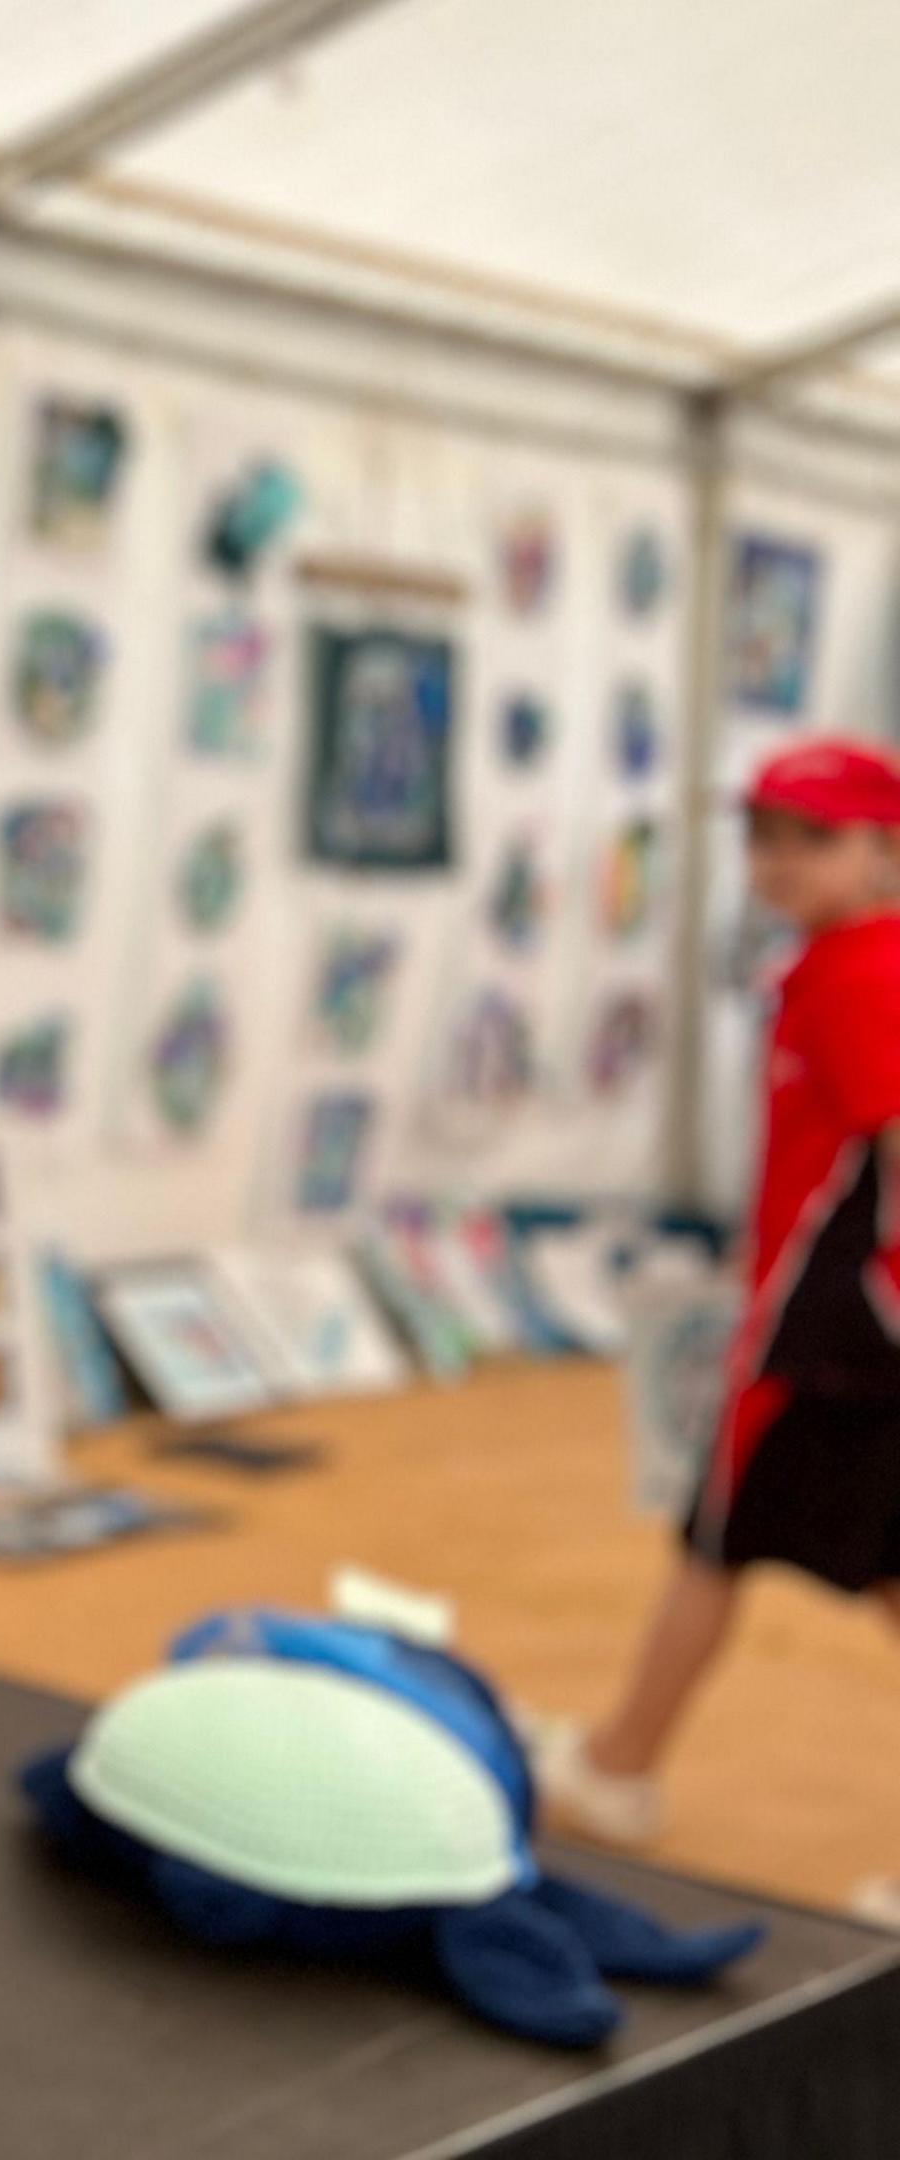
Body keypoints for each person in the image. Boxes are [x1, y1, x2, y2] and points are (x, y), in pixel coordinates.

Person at [541, 735, 900, 1926]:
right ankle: (622, 1763)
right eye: (768, 835)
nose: (784, 859)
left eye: (818, 836)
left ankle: (620, 1768)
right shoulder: (835, 963)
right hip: (832, 1326)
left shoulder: (861, 973)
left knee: (716, 1539)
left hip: (834, 1335)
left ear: (880, 847)